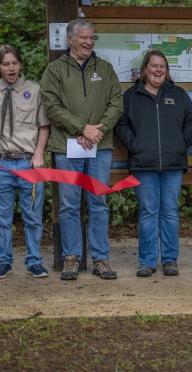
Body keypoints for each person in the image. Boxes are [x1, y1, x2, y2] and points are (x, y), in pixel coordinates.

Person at [41, 19, 123, 280]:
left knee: (98, 202)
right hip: (67, 147)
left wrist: (98, 130)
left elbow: (116, 103)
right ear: (70, 40)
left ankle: (101, 258)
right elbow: (51, 106)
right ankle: (71, 258)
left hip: (100, 146)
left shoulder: (105, 68)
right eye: (84, 37)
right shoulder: (54, 70)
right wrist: (81, 128)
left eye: (92, 38)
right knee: (68, 204)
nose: (89, 42)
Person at [115, 50, 192, 277]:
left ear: (167, 70)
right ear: (145, 69)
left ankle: (170, 260)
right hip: (143, 164)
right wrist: (135, 144)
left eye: (162, 66)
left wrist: (182, 142)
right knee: (148, 212)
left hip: (173, 164)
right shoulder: (131, 96)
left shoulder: (178, 94)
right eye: (154, 66)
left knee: (170, 211)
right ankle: (147, 262)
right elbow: (120, 124)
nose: (158, 70)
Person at [0, 44, 50, 279]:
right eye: (5, 64)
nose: (11, 68)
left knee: (32, 216)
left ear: (20, 65)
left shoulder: (34, 90)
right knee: (2, 217)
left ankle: (34, 261)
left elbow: (44, 124)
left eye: (14, 63)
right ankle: (4, 261)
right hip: (2, 164)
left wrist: (39, 153)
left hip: (29, 163)